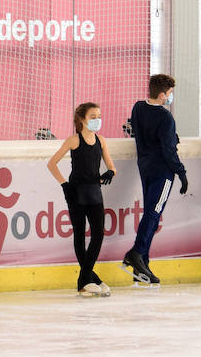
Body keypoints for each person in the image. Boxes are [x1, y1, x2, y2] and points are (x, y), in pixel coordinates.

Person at [46, 102, 117, 296]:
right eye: (93, 116)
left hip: (95, 192)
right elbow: (52, 164)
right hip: (76, 192)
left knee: (98, 234)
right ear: (82, 119)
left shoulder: (101, 140)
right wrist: (64, 184)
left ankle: (86, 277)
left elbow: (111, 165)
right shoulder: (73, 140)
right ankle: (87, 279)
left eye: (99, 115)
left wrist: (110, 172)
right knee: (79, 234)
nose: (97, 119)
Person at [125, 74, 187, 287]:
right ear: (162, 95)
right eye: (169, 94)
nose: (170, 97)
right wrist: (181, 172)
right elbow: (169, 150)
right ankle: (137, 252)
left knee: (151, 212)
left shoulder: (138, 108)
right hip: (162, 170)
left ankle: (142, 264)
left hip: (145, 167)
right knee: (153, 213)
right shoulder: (165, 117)